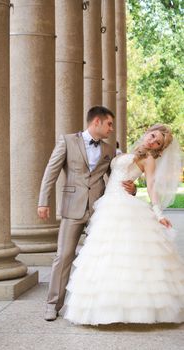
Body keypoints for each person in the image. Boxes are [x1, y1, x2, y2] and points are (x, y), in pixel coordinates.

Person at [63, 124, 184, 325]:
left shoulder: (149, 159)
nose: (152, 141)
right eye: (153, 136)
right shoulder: (126, 152)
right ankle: (103, 307)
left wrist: (157, 212)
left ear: (159, 148)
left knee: (124, 256)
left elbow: (152, 186)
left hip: (122, 206)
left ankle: (130, 310)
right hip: (107, 203)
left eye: (158, 142)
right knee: (104, 254)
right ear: (147, 132)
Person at [37, 106, 136, 321]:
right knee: (63, 256)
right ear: (97, 122)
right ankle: (52, 305)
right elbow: (50, 172)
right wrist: (43, 202)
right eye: (109, 124)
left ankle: (96, 306)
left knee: (99, 258)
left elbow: (116, 177)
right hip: (72, 207)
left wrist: (133, 189)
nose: (111, 129)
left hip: (99, 210)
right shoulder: (67, 141)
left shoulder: (109, 149)